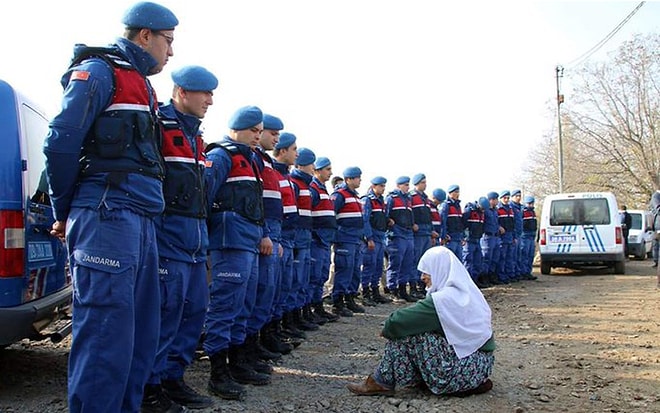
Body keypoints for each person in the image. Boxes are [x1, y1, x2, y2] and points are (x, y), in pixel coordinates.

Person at [42, 3, 178, 412]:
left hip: (140, 219)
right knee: (105, 332)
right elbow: (61, 140)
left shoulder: (140, 84)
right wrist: (63, 211)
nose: (171, 53)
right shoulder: (101, 71)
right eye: (168, 42)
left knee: (139, 332)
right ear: (145, 36)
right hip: (106, 213)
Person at [143, 65, 217, 412]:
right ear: (182, 92)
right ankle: (149, 387)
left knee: (195, 312)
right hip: (167, 241)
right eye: (205, 93)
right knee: (164, 315)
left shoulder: (196, 138)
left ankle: (173, 378)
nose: (211, 101)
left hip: (194, 244)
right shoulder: (158, 124)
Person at [346, 246, 496, 397]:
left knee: (408, 334)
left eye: (426, 272)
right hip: (479, 367)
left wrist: (387, 330)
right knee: (421, 331)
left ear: (439, 269)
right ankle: (403, 380)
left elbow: (397, 321)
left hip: (465, 369)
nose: (423, 277)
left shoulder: (443, 300)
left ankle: (380, 381)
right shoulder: (466, 293)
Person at [204, 105, 270, 401]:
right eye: (252, 131)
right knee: (224, 307)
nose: (257, 137)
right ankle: (217, 373)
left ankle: (237, 361)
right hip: (229, 242)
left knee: (244, 304)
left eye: (259, 132)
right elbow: (203, 197)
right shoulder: (222, 155)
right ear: (235, 128)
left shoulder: (250, 160)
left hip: (248, 242)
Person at [331, 166, 367, 315]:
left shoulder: (356, 196)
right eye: (357, 177)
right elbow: (331, 216)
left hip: (356, 239)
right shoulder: (340, 195)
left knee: (354, 270)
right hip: (345, 238)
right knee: (344, 270)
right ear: (349, 179)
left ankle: (350, 298)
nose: (360, 180)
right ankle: (338, 302)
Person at [309, 157, 341, 322]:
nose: (330, 173)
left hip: (325, 240)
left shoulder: (323, 190)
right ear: (317, 170)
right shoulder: (313, 189)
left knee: (321, 275)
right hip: (316, 240)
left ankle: (318, 305)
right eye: (327, 169)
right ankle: (309, 309)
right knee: (313, 275)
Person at [360, 176, 392, 305]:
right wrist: (369, 238)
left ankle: (375, 291)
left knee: (378, 266)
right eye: (381, 186)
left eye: (384, 186)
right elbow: (365, 220)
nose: (383, 188)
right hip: (372, 236)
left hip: (380, 236)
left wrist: (388, 221)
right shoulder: (368, 200)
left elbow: (380, 217)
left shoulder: (381, 201)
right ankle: (365, 292)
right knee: (369, 265)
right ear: (374, 186)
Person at [384, 176, 416, 302]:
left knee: (407, 263)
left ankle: (403, 289)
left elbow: (410, 215)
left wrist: (413, 224)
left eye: (408, 185)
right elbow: (385, 214)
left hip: (408, 234)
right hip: (396, 234)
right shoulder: (392, 198)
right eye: (405, 185)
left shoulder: (408, 199)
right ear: (399, 185)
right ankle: (393, 290)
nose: (408, 187)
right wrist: (388, 221)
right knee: (395, 263)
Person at [410, 173, 438, 299]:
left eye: (425, 182)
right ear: (416, 184)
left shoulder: (426, 199)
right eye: (423, 182)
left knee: (426, 262)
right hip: (417, 234)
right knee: (416, 261)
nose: (425, 185)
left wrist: (431, 231)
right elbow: (409, 215)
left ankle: (423, 286)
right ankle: (413, 286)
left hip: (426, 233)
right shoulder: (412, 197)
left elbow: (429, 218)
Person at [439, 185, 465, 260]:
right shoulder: (446, 205)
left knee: (458, 260)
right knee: (449, 260)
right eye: (456, 192)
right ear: (450, 193)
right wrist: (443, 235)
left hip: (458, 237)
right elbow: (443, 221)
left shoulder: (458, 206)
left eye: (458, 192)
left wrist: (462, 236)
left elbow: (460, 223)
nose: (458, 194)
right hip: (450, 238)